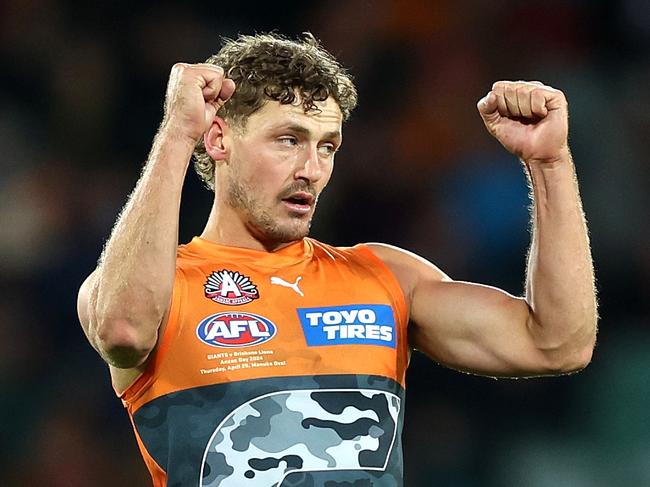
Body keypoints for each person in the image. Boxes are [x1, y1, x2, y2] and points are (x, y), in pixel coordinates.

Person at [77, 32, 597, 487]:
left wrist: (548, 162)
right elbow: (123, 330)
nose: (311, 168)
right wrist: (175, 132)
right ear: (218, 139)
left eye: (328, 146)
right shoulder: (162, 282)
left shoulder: (385, 277)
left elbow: (557, 343)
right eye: (288, 140)